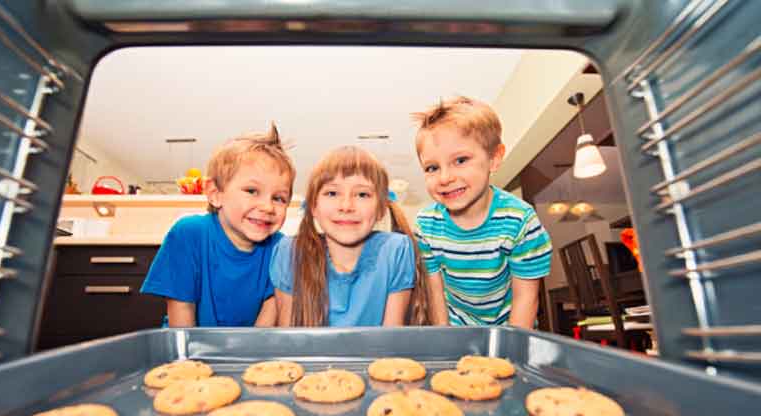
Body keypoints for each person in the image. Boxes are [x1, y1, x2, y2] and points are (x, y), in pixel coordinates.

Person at [412, 96, 552, 328]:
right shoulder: (426, 225)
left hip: (511, 325)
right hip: (457, 325)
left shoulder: (520, 221)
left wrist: (508, 351)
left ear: (494, 159)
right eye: (432, 167)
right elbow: (435, 294)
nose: (445, 178)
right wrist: (444, 341)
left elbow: (526, 297)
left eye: (460, 160)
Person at [141, 124, 295, 327]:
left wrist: (247, 357)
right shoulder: (188, 234)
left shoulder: (281, 249)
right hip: (188, 347)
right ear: (215, 194)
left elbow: (265, 327)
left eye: (279, 198)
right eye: (251, 191)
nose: (267, 207)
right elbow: (181, 319)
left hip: (248, 350)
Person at [271, 146, 431, 327]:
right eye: (332, 193)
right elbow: (288, 340)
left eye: (362, 194)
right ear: (314, 206)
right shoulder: (290, 252)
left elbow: (391, 339)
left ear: (380, 209)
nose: (346, 206)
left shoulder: (395, 250)